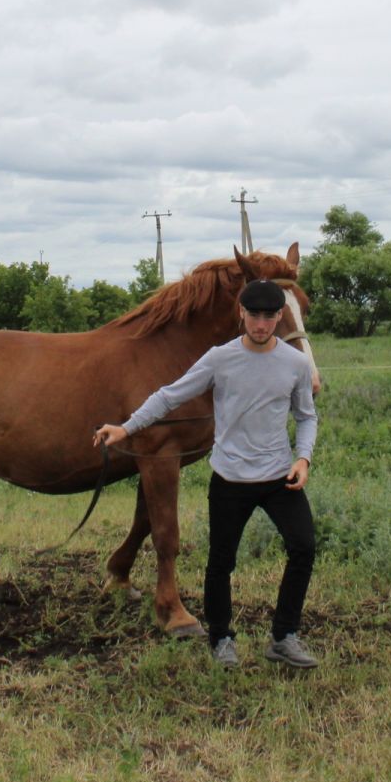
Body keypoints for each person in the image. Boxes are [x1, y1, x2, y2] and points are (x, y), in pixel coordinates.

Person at [95, 279, 321, 668]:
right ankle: (221, 638)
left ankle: (284, 636)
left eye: (270, 316)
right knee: (221, 562)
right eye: (255, 315)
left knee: (303, 547)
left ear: (280, 317)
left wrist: (302, 458)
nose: (262, 324)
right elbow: (170, 395)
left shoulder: (296, 363)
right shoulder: (220, 358)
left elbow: (305, 416)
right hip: (231, 478)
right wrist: (126, 428)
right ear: (241, 314)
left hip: (278, 477)